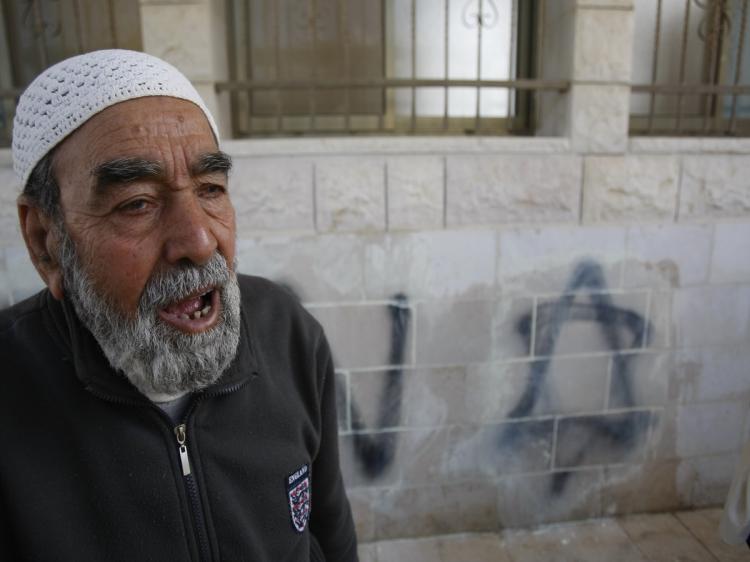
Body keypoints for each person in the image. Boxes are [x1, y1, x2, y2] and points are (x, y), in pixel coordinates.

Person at [0, 49, 358, 561]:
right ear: (44, 240)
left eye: (211, 188)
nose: (199, 240)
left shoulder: (288, 332)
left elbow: (331, 533)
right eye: (137, 203)